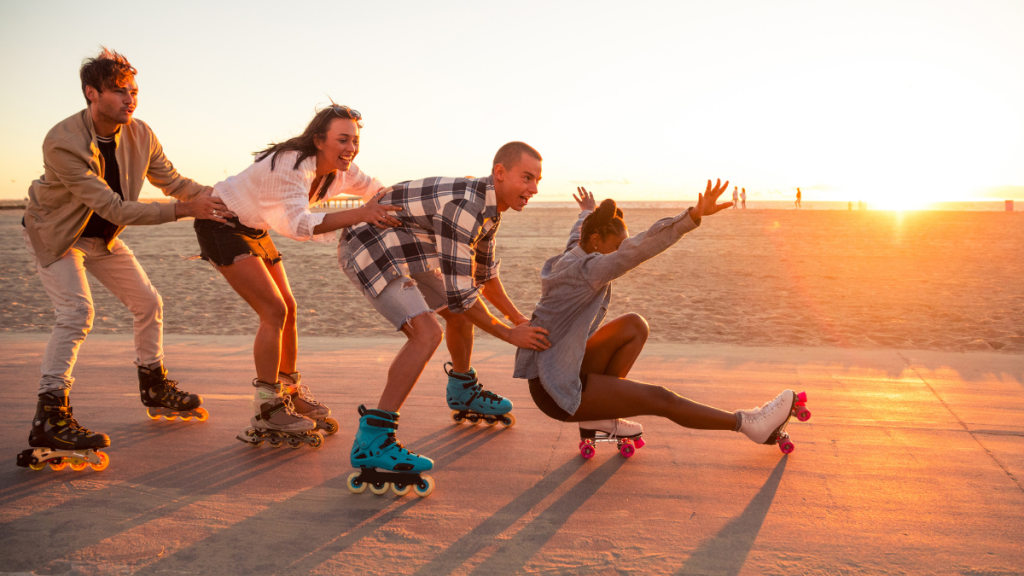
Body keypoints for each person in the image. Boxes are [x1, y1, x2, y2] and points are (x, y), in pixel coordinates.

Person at [17, 48, 231, 471]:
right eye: (119, 91)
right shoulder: (62, 140)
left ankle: (154, 386)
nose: (130, 99)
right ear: (92, 93)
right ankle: (50, 415)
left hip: (102, 237)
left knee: (148, 303)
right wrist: (187, 210)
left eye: (133, 91)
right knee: (77, 312)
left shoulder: (141, 133)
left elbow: (173, 181)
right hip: (57, 234)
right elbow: (113, 207)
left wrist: (223, 197)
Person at [513, 183, 808, 459]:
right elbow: (639, 248)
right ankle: (749, 424)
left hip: (554, 371)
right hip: (556, 391)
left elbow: (577, 235)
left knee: (634, 325)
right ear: (595, 241)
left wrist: (587, 212)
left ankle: (599, 416)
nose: (620, 253)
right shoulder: (587, 270)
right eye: (617, 247)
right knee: (661, 398)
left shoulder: (571, 257)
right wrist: (692, 216)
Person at [340, 141, 551, 493]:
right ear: (500, 173)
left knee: (459, 316)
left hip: (406, 247)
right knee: (427, 334)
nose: (534, 189)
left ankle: (463, 390)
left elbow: (484, 276)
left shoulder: (490, 211)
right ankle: (373, 439)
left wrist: (517, 319)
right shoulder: (466, 208)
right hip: (368, 246)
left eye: (538, 181)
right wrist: (509, 334)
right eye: (527, 178)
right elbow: (463, 295)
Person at [194, 105, 402, 449]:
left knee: (288, 308)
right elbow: (298, 225)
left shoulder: (341, 171)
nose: (350, 148)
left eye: (354, 140)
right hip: (221, 225)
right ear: (318, 140)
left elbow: (377, 190)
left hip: (254, 227)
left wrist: (413, 203)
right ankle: (267, 406)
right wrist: (361, 213)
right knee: (273, 310)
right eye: (342, 140)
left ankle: (288, 391)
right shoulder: (291, 166)